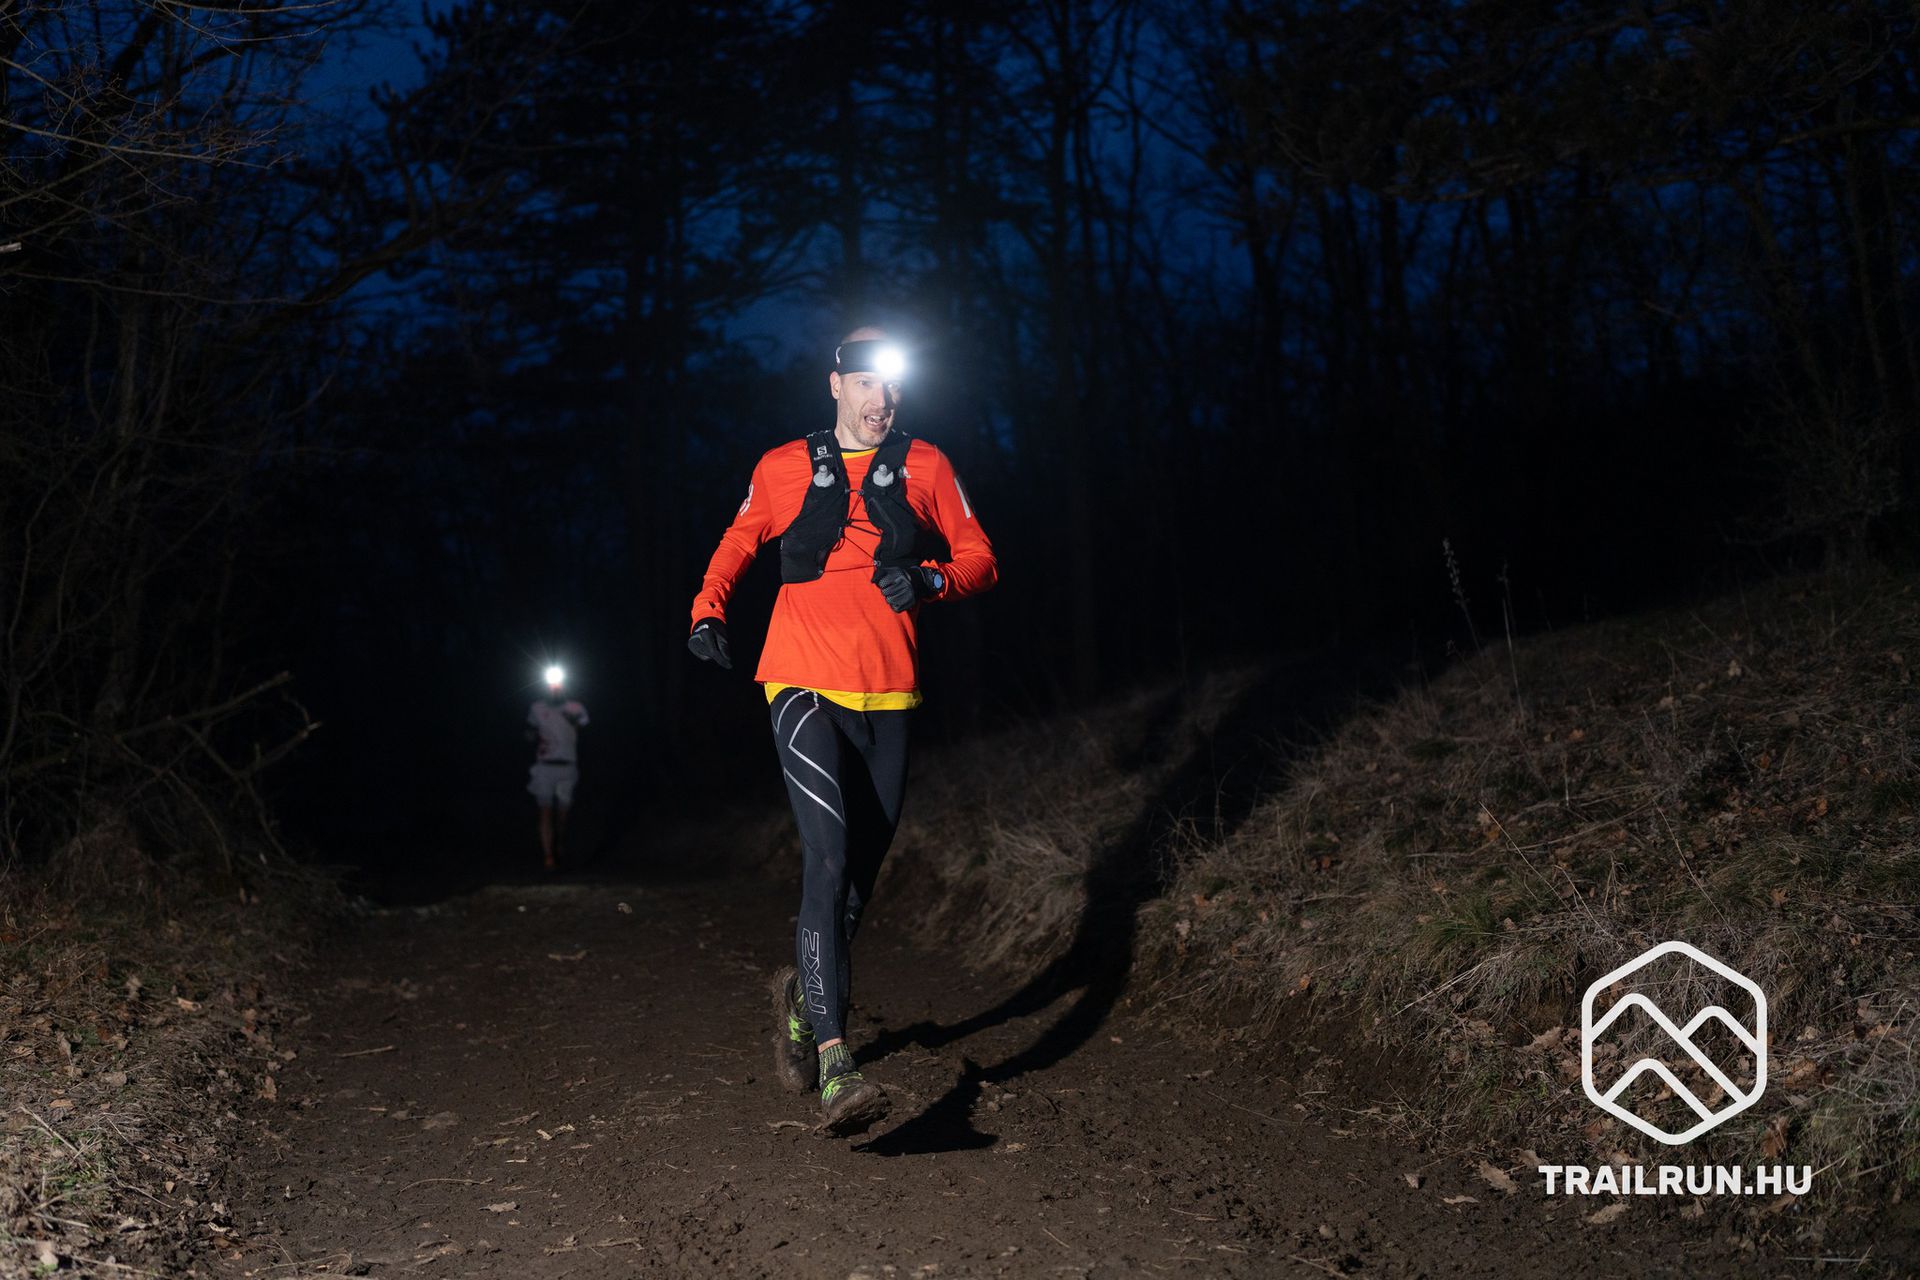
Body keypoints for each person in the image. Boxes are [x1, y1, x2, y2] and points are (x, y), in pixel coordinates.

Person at [686, 328, 997, 1136]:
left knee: (857, 882)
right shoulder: (783, 465)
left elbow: (980, 558)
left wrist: (929, 578)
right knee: (825, 858)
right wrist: (707, 608)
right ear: (835, 385)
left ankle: (798, 1001)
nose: (879, 398)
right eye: (864, 382)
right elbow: (739, 539)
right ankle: (834, 1061)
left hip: (890, 696)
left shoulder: (926, 465)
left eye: (890, 386)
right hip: (799, 682)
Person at [526, 666, 588, 871]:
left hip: (567, 767)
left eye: (558, 684)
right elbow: (530, 732)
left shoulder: (576, 708)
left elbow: (582, 731)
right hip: (544, 767)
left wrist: (570, 721)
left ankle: (559, 843)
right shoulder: (536, 708)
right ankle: (548, 855)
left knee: (562, 815)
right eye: (551, 684)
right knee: (544, 811)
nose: (554, 688)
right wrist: (530, 737)